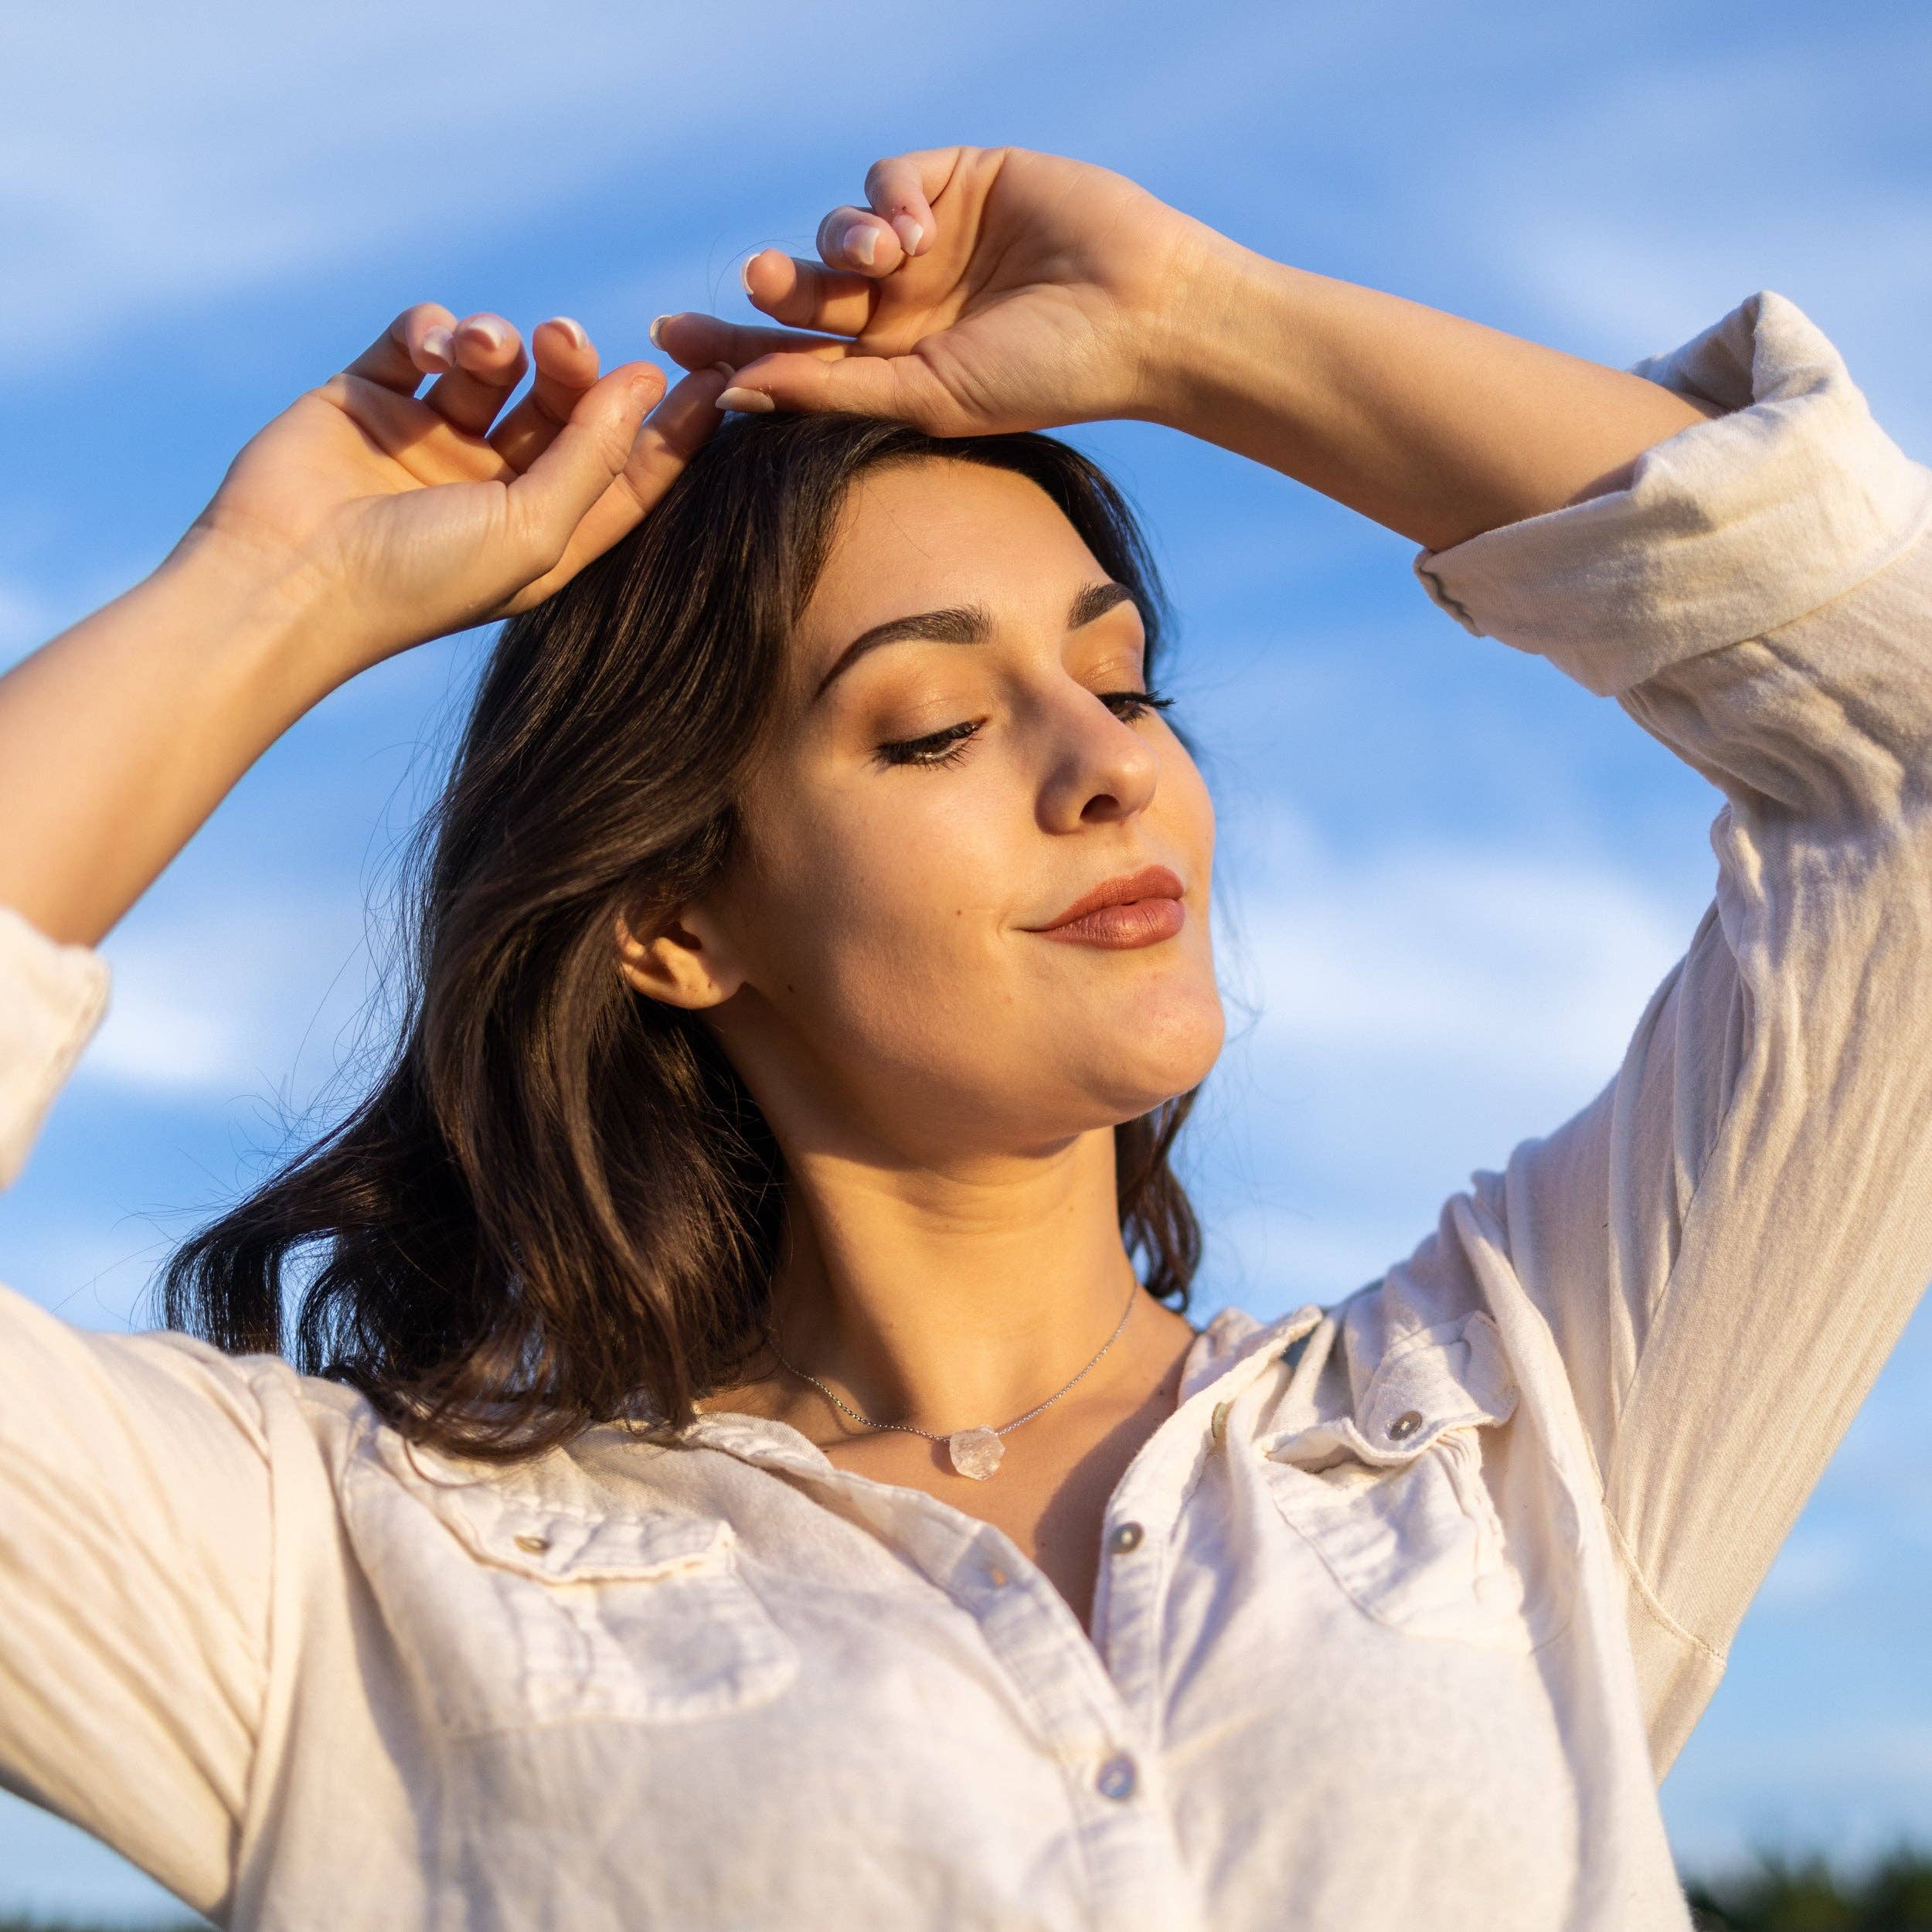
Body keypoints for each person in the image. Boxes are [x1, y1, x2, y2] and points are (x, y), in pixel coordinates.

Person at [1, 143, 1927, 1932]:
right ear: (674, 920)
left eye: (1122, 682)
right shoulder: (349, 1576)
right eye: (932, 727)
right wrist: (266, 594)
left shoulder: (1521, 1430)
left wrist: (1200, 327)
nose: (1107, 766)